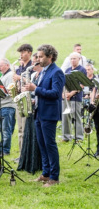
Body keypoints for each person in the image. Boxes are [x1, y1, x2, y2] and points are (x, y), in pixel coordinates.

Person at [23, 44, 65, 187]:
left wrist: (36, 89)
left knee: (50, 145)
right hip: (39, 112)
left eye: (41, 56)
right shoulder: (44, 71)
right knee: (42, 144)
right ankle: (46, 174)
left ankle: (54, 177)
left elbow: (55, 94)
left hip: (49, 114)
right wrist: (34, 98)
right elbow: (44, 92)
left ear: (50, 57)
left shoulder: (57, 72)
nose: (38, 59)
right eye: (38, 56)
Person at [17, 53, 42, 173]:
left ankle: (37, 163)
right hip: (31, 108)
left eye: (34, 62)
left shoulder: (42, 75)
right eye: (32, 62)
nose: (32, 64)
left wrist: (34, 98)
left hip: (39, 108)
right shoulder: (33, 75)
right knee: (29, 134)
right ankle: (28, 161)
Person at [62, 52, 87, 142]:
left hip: (76, 97)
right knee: (65, 117)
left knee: (76, 117)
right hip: (66, 97)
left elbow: (82, 85)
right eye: (71, 59)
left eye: (74, 59)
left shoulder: (82, 70)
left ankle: (78, 137)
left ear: (79, 59)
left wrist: (71, 94)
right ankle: (66, 137)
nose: (72, 60)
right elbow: (64, 83)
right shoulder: (67, 70)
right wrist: (64, 94)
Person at [13, 44, 33, 152]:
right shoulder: (19, 67)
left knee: (25, 128)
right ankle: (21, 154)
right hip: (19, 97)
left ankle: (25, 154)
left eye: (23, 52)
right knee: (20, 129)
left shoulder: (32, 67)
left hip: (27, 99)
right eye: (20, 52)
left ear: (29, 53)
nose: (21, 55)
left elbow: (32, 82)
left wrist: (20, 78)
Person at [0, 58, 17, 156]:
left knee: (6, 130)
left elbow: (9, 91)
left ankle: (5, 150)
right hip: (3, 105)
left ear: (7, 65)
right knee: (2, 129)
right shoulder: (4, 75)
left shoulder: (9, 75)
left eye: (1, 66)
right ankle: (2, 149)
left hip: (8, 105)